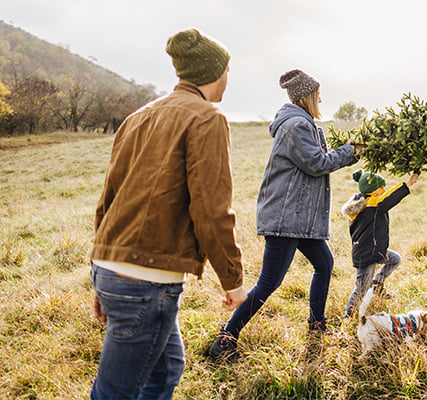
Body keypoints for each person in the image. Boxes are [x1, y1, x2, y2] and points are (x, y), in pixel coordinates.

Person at [89, 28, 247, 399]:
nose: (228, 77)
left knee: (166, 370)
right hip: (146, 281)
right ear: (214, 72)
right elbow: (211, 208)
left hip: (112, 270)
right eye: (227, 69)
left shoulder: (138, 116)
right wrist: (233, 280)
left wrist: (101, 275)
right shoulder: (208, 117)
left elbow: (107, 199)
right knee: (115, 392)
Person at [208, 69, 360, 361]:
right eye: (317, 94)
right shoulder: (296, 126)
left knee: (324, 263)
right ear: (306, 97)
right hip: (286, 217)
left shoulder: (302, 123)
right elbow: (316, 163)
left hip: (296, 217)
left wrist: (351, 151)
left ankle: (316, 327)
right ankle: (226, 340)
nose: (321, 99)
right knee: (269, 281)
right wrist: (349, 151)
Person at [341, 169, 419, 318]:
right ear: (372, 190)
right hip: (367, 254)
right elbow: (390, 197)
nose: (384, 190)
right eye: (381, 187)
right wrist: (407, 184)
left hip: (374, 250)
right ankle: (348, 316)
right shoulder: (373, 204)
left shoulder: (363, 203)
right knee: (361, 289)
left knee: (394, 259)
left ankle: (377, 283)